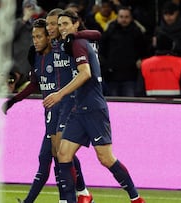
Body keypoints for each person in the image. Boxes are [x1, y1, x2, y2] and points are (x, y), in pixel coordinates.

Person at [43, 9, 145, 203]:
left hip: (93, 109)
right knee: (63, 153)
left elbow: (85, 73)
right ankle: (74, 198)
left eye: (66, 24)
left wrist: (60, 94)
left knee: (106, 158)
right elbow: (95, 35)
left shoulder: (79, 44)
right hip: (79, 109)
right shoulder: (73, 42)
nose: (62, 28)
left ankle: (136, 198)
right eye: (60, 24)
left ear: (75, 24)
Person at [3, 16, 100, 203]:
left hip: (66, 109)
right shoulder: (37, 56)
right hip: (50, 114)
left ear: (49, 37)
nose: (36, 40)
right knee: (50, 157)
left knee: (60, 155)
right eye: (34, 37)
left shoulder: (62, 50)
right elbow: (34, 84)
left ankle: (76, 194)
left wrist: (74, 34)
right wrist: (14, 100)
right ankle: (79, 194)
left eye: (40, 36)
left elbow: (96, 35)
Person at [98, 6, 148, 97]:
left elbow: (144, 50)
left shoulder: (137, 31)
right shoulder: (110, 30)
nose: (124, 19)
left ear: (131, 18)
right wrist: (106, 65)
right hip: (112, 76)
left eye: (126, 17)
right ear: (117, 17)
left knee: (130, 104)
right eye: (121, 17)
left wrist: (141, 60)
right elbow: (101, 50)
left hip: (131, 76)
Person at [139, 33, 181, 98]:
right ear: (171, 46)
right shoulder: (180, 63)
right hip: (175, 103)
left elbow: (140, 90)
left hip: (151, 104)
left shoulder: (145, 64)